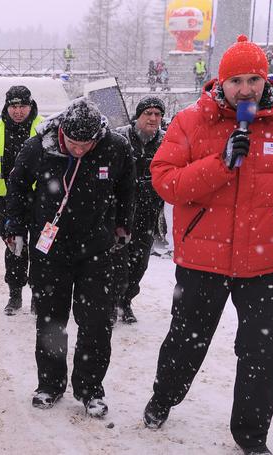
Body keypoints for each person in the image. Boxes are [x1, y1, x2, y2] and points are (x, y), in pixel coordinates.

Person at [143, 35, 273, 455]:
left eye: (254, 79)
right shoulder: (192, 121)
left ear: (266, 81)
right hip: (202, 261)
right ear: (219, 82)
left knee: (261, 351)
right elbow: (166, 181)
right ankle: (163, 397)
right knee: (187, 340)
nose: (246, 90)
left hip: (265, 262)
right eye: (236, 80)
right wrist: (220, 162)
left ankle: (252, 435)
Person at [5, 98, 135, 413]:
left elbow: (128, 188)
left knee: (96, 323)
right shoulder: (39, 146)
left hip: (96, 248)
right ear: (63, 132)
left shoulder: (114, 147)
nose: (78, 150)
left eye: (85, 145)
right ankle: (49, 385)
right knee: (51, 320)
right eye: (73, 144)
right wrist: (13, 227)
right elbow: (18, 187)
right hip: (51, 248)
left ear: (97, 137)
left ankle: (91, 390)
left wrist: (123, 226)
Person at [0, 85, 44, 315]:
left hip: (40, 201)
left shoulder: (43, 128)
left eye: (22, 106)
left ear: (30, 106)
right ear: (7, 107)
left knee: (41, 251)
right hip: (7, 202)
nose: (18, 111)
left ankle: (38, 295)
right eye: (14, 106)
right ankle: (15, 295)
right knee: (14, 249)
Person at [111, 96, 166, 324]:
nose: (153, 118)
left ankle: (126, 301)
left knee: (139, 262)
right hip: (119, 211)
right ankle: (112, 302)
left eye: (157, 114)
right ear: (138, 116)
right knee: (116, 260)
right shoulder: (120, 137)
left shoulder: (166, 141)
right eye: (148, 113)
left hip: (148, 212)